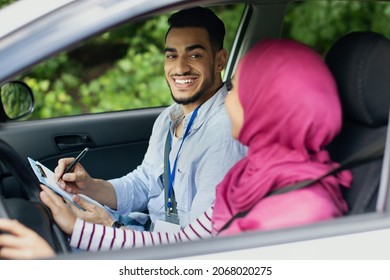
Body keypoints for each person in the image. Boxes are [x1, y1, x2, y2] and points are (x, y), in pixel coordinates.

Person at [0, 38, 352, 259]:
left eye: (240, 89)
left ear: (270, 105)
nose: (229, 100)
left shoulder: (300, 215)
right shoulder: (251, 178)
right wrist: (77, 227)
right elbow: (185, 246)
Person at [54, 6, 246, 231]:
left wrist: (112, 229)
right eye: (172, 55)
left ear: (220, 61)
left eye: (194, 55)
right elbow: (144, 183)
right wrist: (89, 186)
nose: (180, 68)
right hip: (151, 234)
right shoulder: (169, 117)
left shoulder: (224, 133)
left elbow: (200, 242)